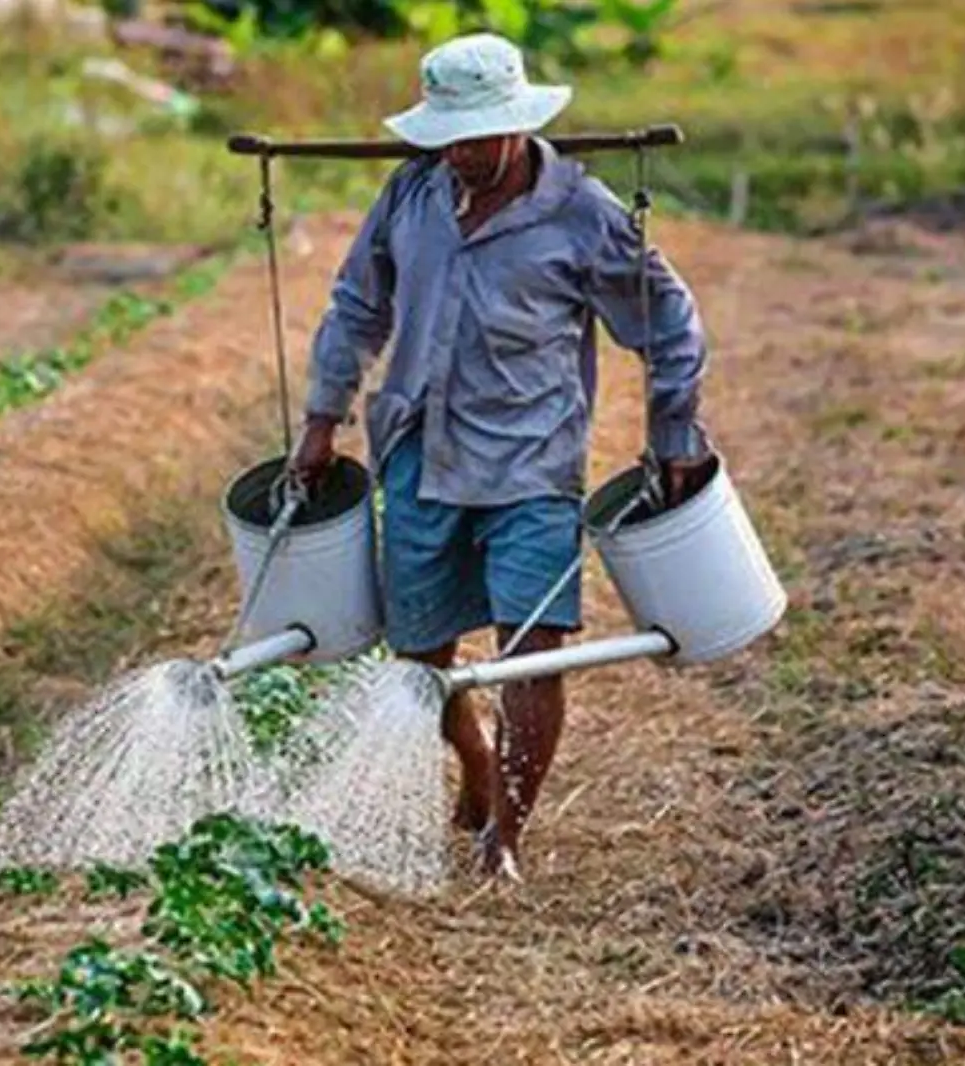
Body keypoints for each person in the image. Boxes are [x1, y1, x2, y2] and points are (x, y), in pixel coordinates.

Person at [286, 32, 715, 882]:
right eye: (451, 137)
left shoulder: (582, 215)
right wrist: (320, 416)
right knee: (421, 657)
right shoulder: (410, 195)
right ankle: (476, 763)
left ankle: (504, 839)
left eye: (482, 136)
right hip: (420, 452)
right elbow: (355, 306)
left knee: (534, 648)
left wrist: (674, 432)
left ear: (520, 124)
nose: (466, 154)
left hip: (532, 463)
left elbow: (669, 324)